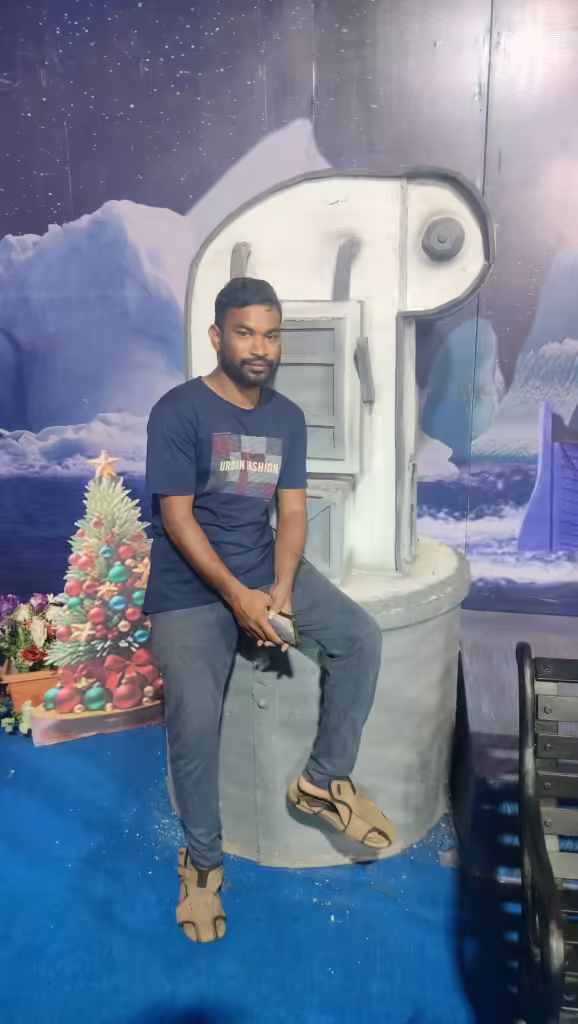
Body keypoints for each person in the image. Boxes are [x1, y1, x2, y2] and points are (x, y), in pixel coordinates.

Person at [144, 277, 395, 944]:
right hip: (190, 589)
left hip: (263, 570)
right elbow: (177, 520)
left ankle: (321, 783)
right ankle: (203, 864)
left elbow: (292, 511)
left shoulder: (286, 417)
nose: (260, 347)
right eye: (246, 333)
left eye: (271, 334)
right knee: (194, 722)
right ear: (217, 336)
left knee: (360, 638)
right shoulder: (178, 411)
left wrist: (281, 587)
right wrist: (239, 598)